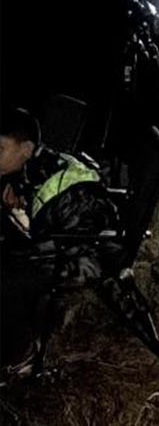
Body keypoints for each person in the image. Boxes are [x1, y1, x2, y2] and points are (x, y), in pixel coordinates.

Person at [0, 107, 131, 379]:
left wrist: (24, 236)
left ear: (26, 148)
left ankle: (21, 357)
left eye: (1, 149)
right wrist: (18, 210)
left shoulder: (59, 179)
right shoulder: (38, 167)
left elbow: (78, 237)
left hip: (85, 256)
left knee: (8, 277)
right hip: (65, 245)